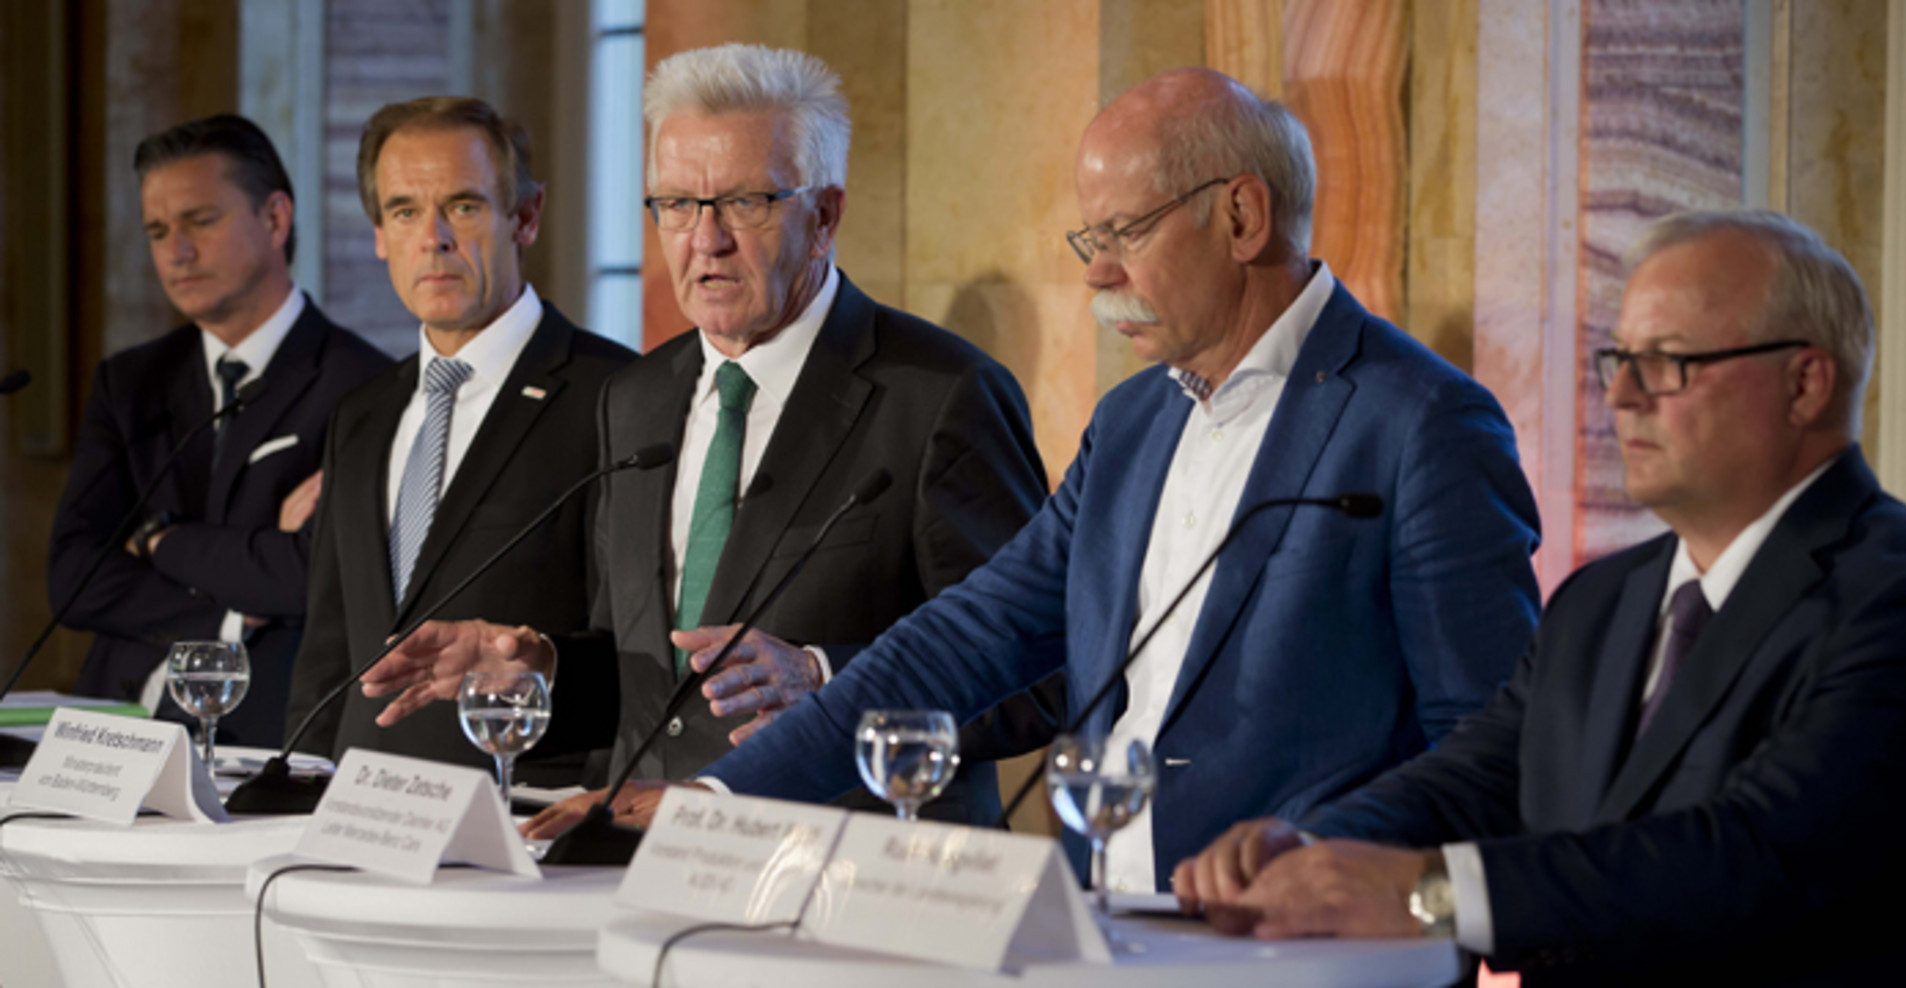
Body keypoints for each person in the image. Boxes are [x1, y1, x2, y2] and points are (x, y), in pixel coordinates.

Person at [503, 66, 1543, 891]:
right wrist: (720, 794)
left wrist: (1314, 844)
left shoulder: (1423, 422)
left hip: (1310, 947)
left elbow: (1496, 737)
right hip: (1110, 927)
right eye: (1088, 241)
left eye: (1125, 234)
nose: (1095, 273)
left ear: (1241, 217)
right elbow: (961, 641)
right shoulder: (1132, 422)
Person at [1172, 210, 1906, 984]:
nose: (1622, 395)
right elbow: (1475, 779)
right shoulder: (1602, 597)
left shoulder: (1895, 594)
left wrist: (1429, 893)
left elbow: (1757, 851)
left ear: (1804, 383)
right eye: (1619, 358)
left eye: (1667, 363)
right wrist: (1312, 847)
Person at [361, 44, 1060, 825]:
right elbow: (654, 691)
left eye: (744, 203)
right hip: (654, 865)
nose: (706, 239)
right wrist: (542, 670)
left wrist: (826, 678)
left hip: (852, 875)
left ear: (824, 213)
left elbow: (1040, 677)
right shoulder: (632, 399)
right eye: (678, 205)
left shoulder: (939, 396)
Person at [285, 97, 634, 777]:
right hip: (359, 821)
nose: (433, 237)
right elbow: (329, 649)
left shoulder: (617, 395)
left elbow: (631, 647)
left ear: (525, 217)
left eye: (465, 206)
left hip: (524, 820)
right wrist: (298, 787)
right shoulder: (361, 413)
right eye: (405, 211)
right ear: (380, 234)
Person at [49, 115, 390, 747]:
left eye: (200, 222)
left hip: (259, 737)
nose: (176, 252)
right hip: (105, 733)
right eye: (157, 231)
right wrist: (232, 610)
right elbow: (72, 577)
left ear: (275, 219)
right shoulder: (130, 382)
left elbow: (311, 577)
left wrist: (157, 542)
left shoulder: (364, 386)